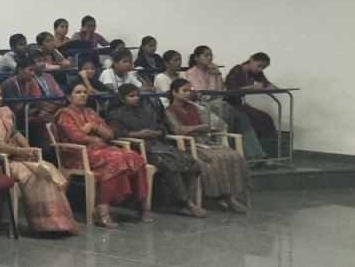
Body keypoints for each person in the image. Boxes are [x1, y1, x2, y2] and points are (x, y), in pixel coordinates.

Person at [0, 81, 77, 234]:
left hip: (10, 157)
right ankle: (41, 224)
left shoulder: (3, 113)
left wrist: (28, 150)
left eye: (1, 94)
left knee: (46, 168)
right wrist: (18, 150)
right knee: (31, 175)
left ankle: (57, 222)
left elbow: (15, 133)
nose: (0, 98)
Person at [53, 81, 149, 227]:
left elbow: (110, 134)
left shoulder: (91, 112)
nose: (83, 95)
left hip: (100, 149)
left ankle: (140, 204)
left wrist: (94, 127)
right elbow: (75, 137)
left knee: (136, 157)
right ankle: (102, 209)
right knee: (116, 160)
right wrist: (95, 138)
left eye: (85, 92)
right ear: (68, 97)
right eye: (78, 92)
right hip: (77, 154)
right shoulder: (64, 114)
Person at [106, 83, 206, 217]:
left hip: (158, 144)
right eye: (131, 96)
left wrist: (157, 132)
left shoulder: (146, 110)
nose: (136, 98)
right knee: (170, 165)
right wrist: (139, 134)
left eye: (137, 95)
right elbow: (116, 134)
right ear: (122, 98)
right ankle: (186, 203)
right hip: (138, 148)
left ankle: (180, 202)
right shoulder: (116, 115)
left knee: (189, 160)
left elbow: (162, 127)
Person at [164, 78, 250, 213]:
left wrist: (198, 128)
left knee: (232, 156)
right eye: (184, 91)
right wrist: (199, 127)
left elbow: (209, 126)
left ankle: (230, 197)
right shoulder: (169, 111)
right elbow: (179, 130)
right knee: (214, 159)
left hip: (205, 141)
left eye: (190, 91)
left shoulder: (194, 107)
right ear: (174, 92)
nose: (188, 93)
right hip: (187, 145)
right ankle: (220, 197)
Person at [185, 46, 264, 159]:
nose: (210, 58)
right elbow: (202, 92)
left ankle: (255, 155)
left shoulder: (213, 72)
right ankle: (229, 154)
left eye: (211, 55)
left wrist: (217, 74)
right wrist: (213, 88)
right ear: (196, 58)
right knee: (228, 114)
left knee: (243, 118)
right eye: (206, 55)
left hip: (217, 102)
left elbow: (221, 91)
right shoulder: (191, 73)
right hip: (200, 105)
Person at [223, 53, 278, 155]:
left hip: (241, 104)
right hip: (230, 103)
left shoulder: (255, 72)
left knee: (266, 118)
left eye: (263, 67)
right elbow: (231, 90)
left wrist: (273, 87)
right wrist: (251, 87)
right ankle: (253, 153)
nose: (260, 69)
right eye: (259, 66)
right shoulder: (236, 70)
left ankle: (267, 151)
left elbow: (266, 83)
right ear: (251, 60)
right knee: (251, 118)